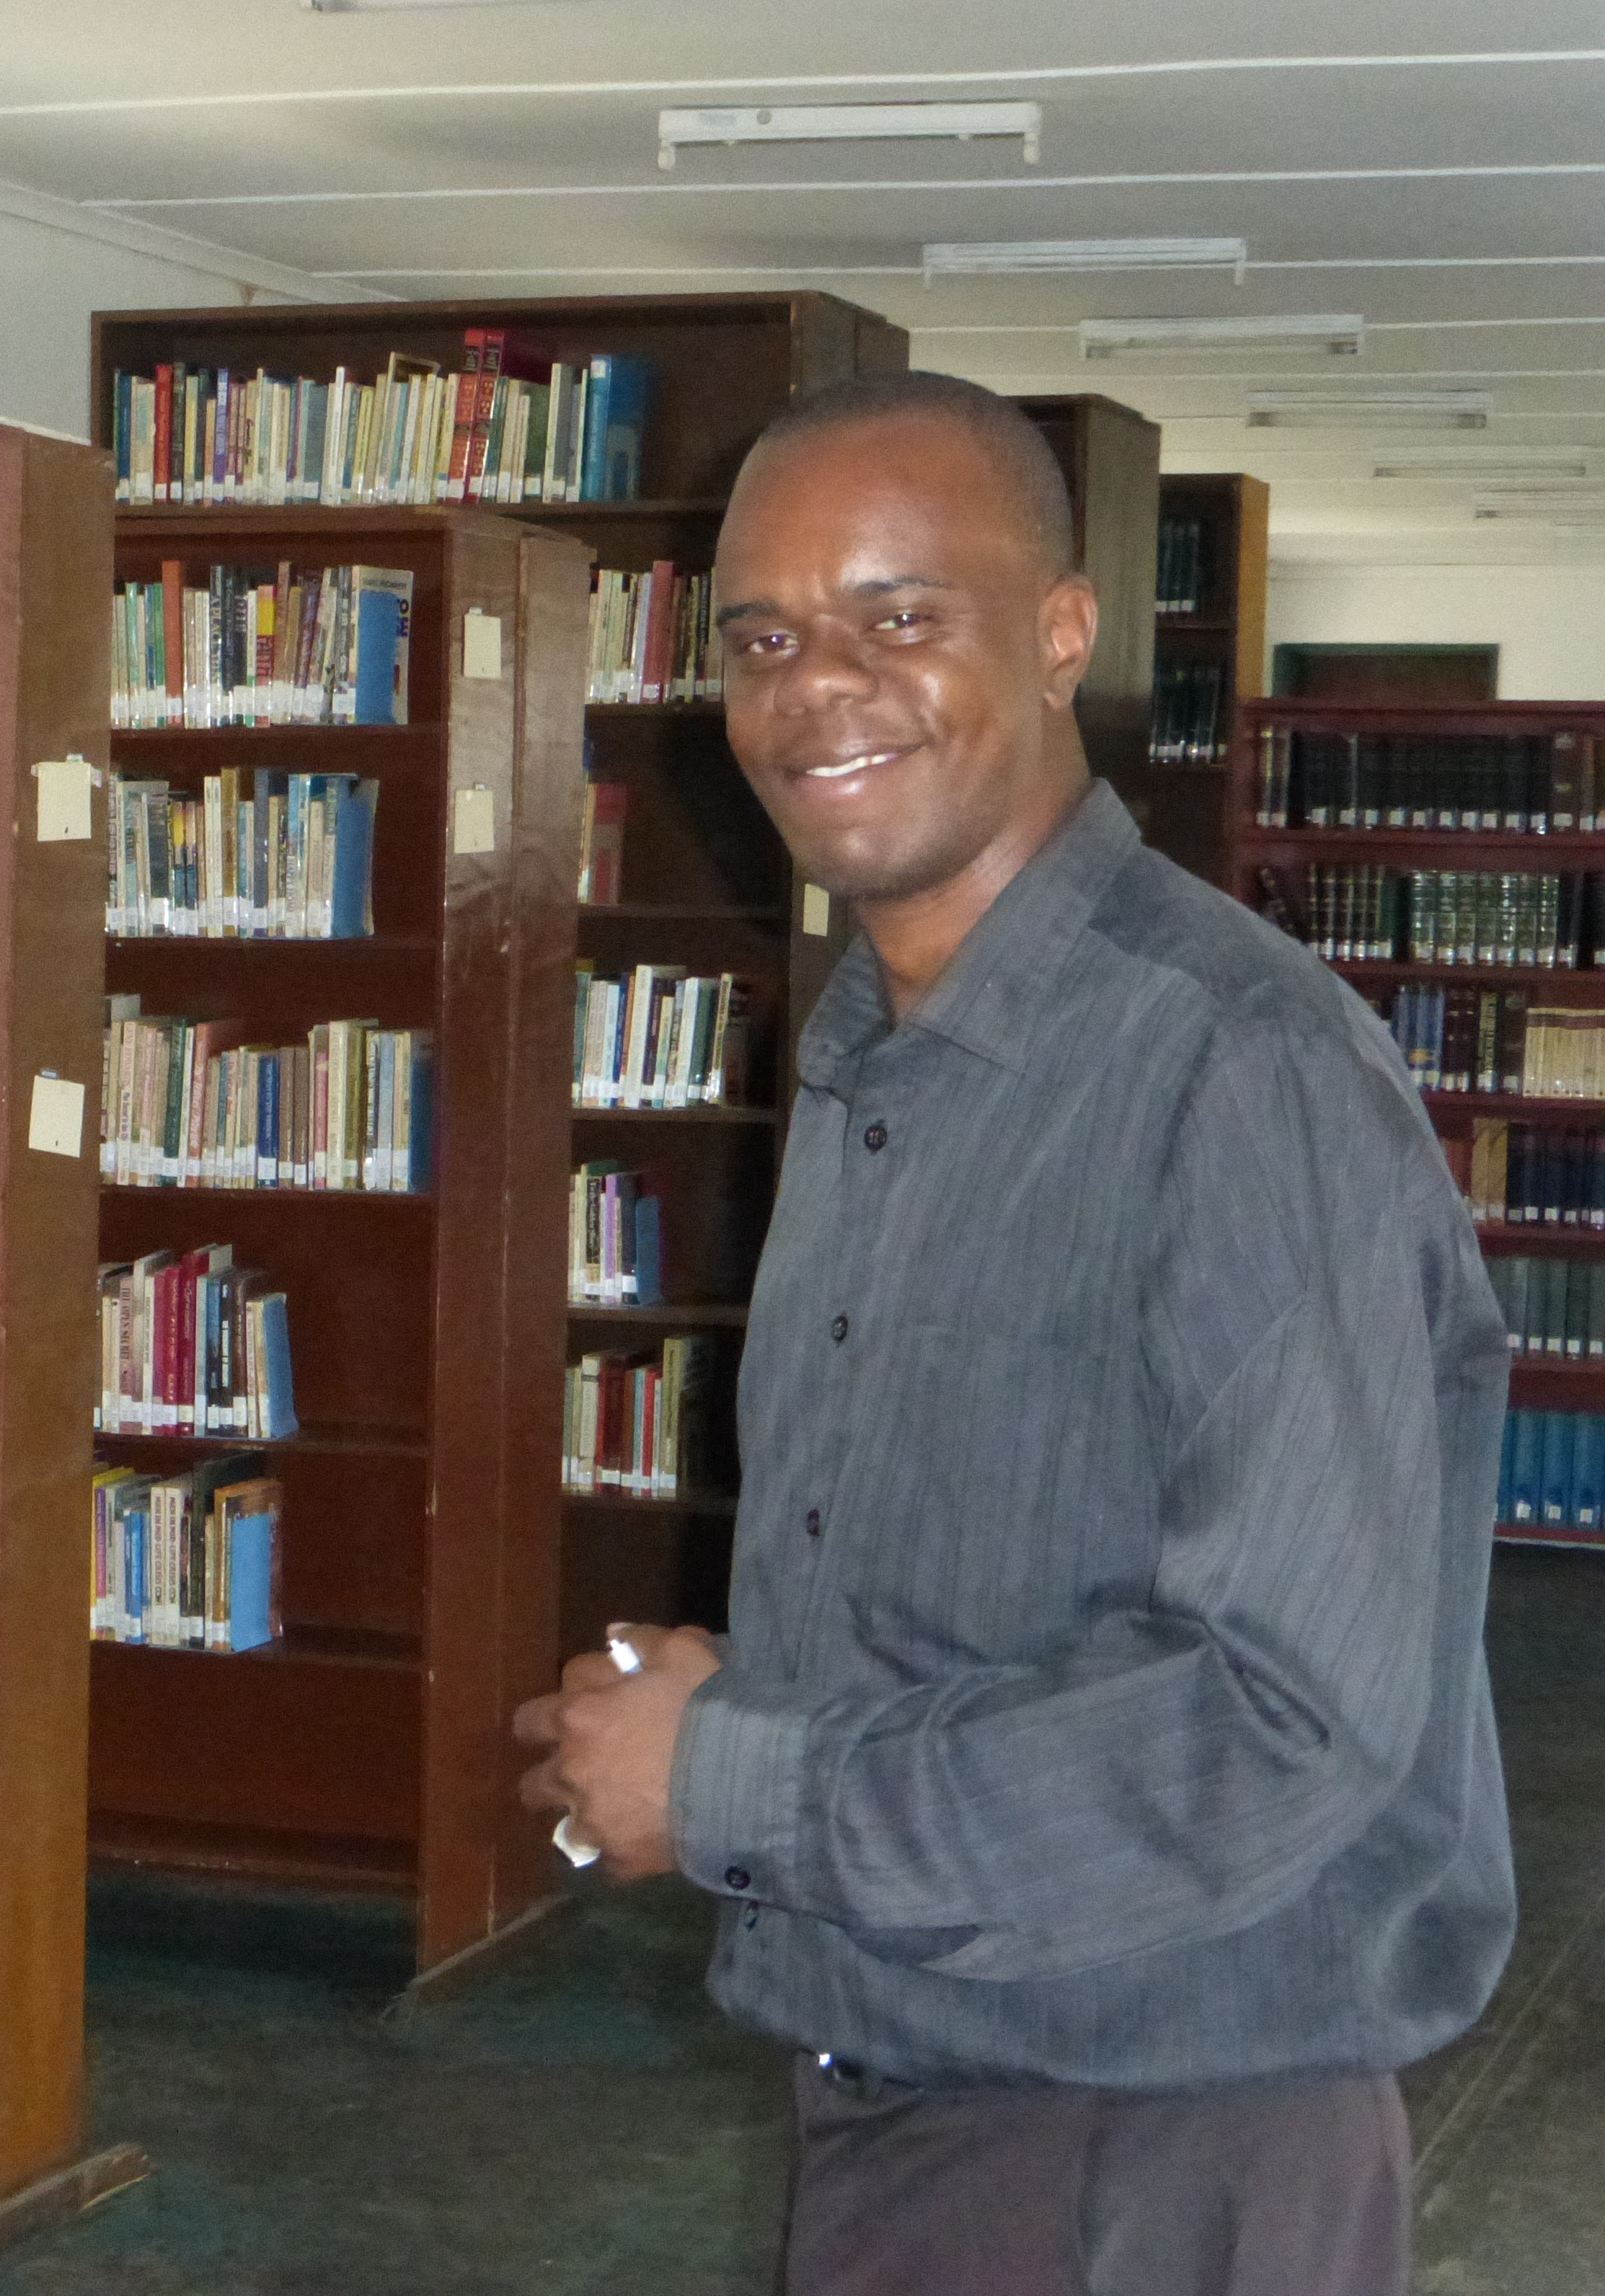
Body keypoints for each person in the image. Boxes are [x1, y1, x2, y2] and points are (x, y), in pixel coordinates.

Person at [510, 371, 1514, 2296]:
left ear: (1064, 634)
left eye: (901, 619)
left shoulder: (1242, 1072)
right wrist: (746, 1692)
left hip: (1161, 2129)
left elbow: (1281, 1716)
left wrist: (733, 1780)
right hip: (917, 2084)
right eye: (766, 637)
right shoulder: (877, 1050)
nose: (819, 690)